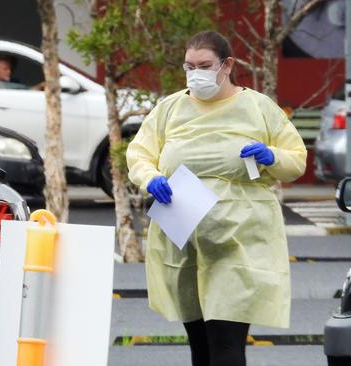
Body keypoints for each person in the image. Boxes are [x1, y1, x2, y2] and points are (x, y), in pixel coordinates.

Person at [126, 30, 307, 366]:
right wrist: (150, 179)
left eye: (204, 65)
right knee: (200, 344)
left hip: (239, 237)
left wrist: (272, 156)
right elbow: (139, 153)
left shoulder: (257, 107)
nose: (196, 73)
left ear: (227, 65)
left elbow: (295, 158)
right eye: (189, 66)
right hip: (182, 236)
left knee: (225, 340)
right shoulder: (170, 108)